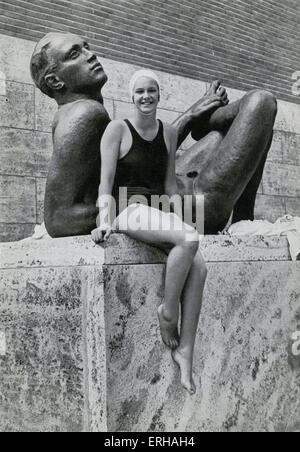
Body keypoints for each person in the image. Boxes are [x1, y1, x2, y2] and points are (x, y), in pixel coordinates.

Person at [30, 32, 277, 238]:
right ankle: (242, 217)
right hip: (196, 207)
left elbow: (143, 155)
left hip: (169, 187)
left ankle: (207, 121)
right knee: (261, 102)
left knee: (219, 135)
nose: (90, 54)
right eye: (75, 54)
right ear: (55, 81)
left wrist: (192, 115)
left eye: (86, 47)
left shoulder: (77, 112)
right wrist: (141, 209)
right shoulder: (85, 114)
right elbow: (58, 219)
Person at [91, 70, 208, 395]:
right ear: (132, 96)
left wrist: (188, 219)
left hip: (155, 209)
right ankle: (168, 311)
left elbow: (170, 187)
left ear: (159, 95)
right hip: (128, 211)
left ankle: (185, 350)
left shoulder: (169, 133)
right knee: (188, 240)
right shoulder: (116, 129)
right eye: (140, 91)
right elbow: (105, 182)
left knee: (199, 266)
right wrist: (104, 221)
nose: (146, 96)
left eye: (151, 91)